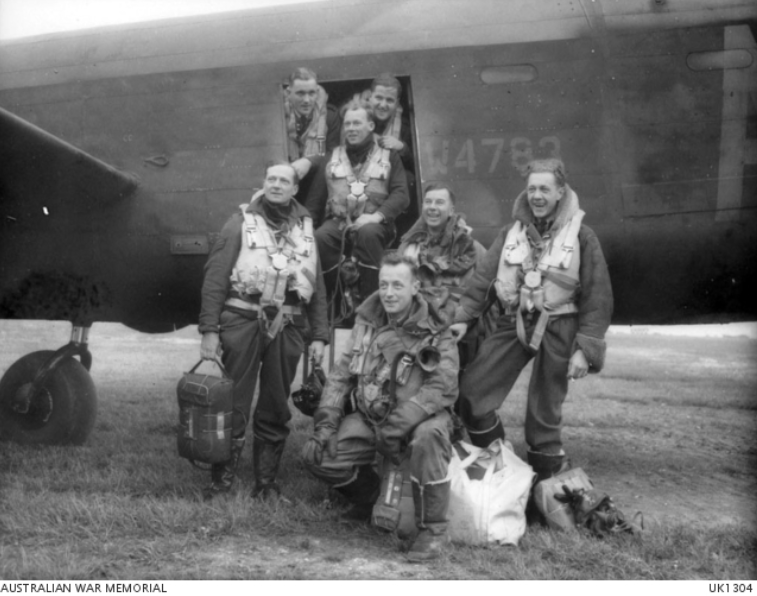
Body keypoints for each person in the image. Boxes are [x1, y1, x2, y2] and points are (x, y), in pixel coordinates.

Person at [449, 158, 613, 485]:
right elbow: (482, 281)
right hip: (516, 321)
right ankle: (501, 468)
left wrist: (586, 349)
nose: (537, 196)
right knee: (472, 393)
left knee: (544, 414)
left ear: (560, 192)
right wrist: (464, 318)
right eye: (532, 189)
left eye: (545, 189)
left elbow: (598, 295)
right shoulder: (511, 233)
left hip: (560, 324)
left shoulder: (582, 235)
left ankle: (545, 490)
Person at [302, 252, 459, 562]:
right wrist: (326, 424)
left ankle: (432, 530)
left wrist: (399, 425)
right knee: (321, 457)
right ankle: (370, 497)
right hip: (372, 418)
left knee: (429, 436)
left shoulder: (436, 329)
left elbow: (442, 387)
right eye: (384, 284)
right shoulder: (366, 322)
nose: (388, 293)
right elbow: (340, 375)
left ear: (415, 287)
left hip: (418, 418)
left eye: (398, 286)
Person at [198, 162, 329, 500]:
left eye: (284, 180)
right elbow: (215, 277)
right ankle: (221, 480)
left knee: (275, 403)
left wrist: (319, 335)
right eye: (271, 179)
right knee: (234, 400)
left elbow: (317, 284)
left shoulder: (305, 228)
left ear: (295, 189)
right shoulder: (240, 222)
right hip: (242, 320)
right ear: (263, 183)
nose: (276, 185)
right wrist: (209, 329)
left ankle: (266, 483)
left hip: (288, 325)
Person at [301, 101, 409, 303]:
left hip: (377, 224)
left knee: (367, 233)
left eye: (357, 123)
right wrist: (304, 231)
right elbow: (315, 201)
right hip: (339, 222)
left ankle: (371, 306)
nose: (351, 129)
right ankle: (337, 303)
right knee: (320, 237)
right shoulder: (332, 157)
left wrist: (376, 217)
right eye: (348, 124)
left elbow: (401, 194)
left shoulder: (389, 155)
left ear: (370, 126)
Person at [284, 67, 340, 161]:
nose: (307, 100)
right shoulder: (281, 116)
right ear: (289, 93)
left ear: (317, 93)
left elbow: (333, 156)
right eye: (300, 93)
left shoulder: (329, 117)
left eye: (311, 93)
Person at [366, 73, 414, 175]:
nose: (383, 105)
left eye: (389, 100)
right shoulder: (353, 119)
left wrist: (402, 148)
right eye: (379, 98)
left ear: (397, 103)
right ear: (370, 97)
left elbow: (415, 167)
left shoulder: (405, 128)